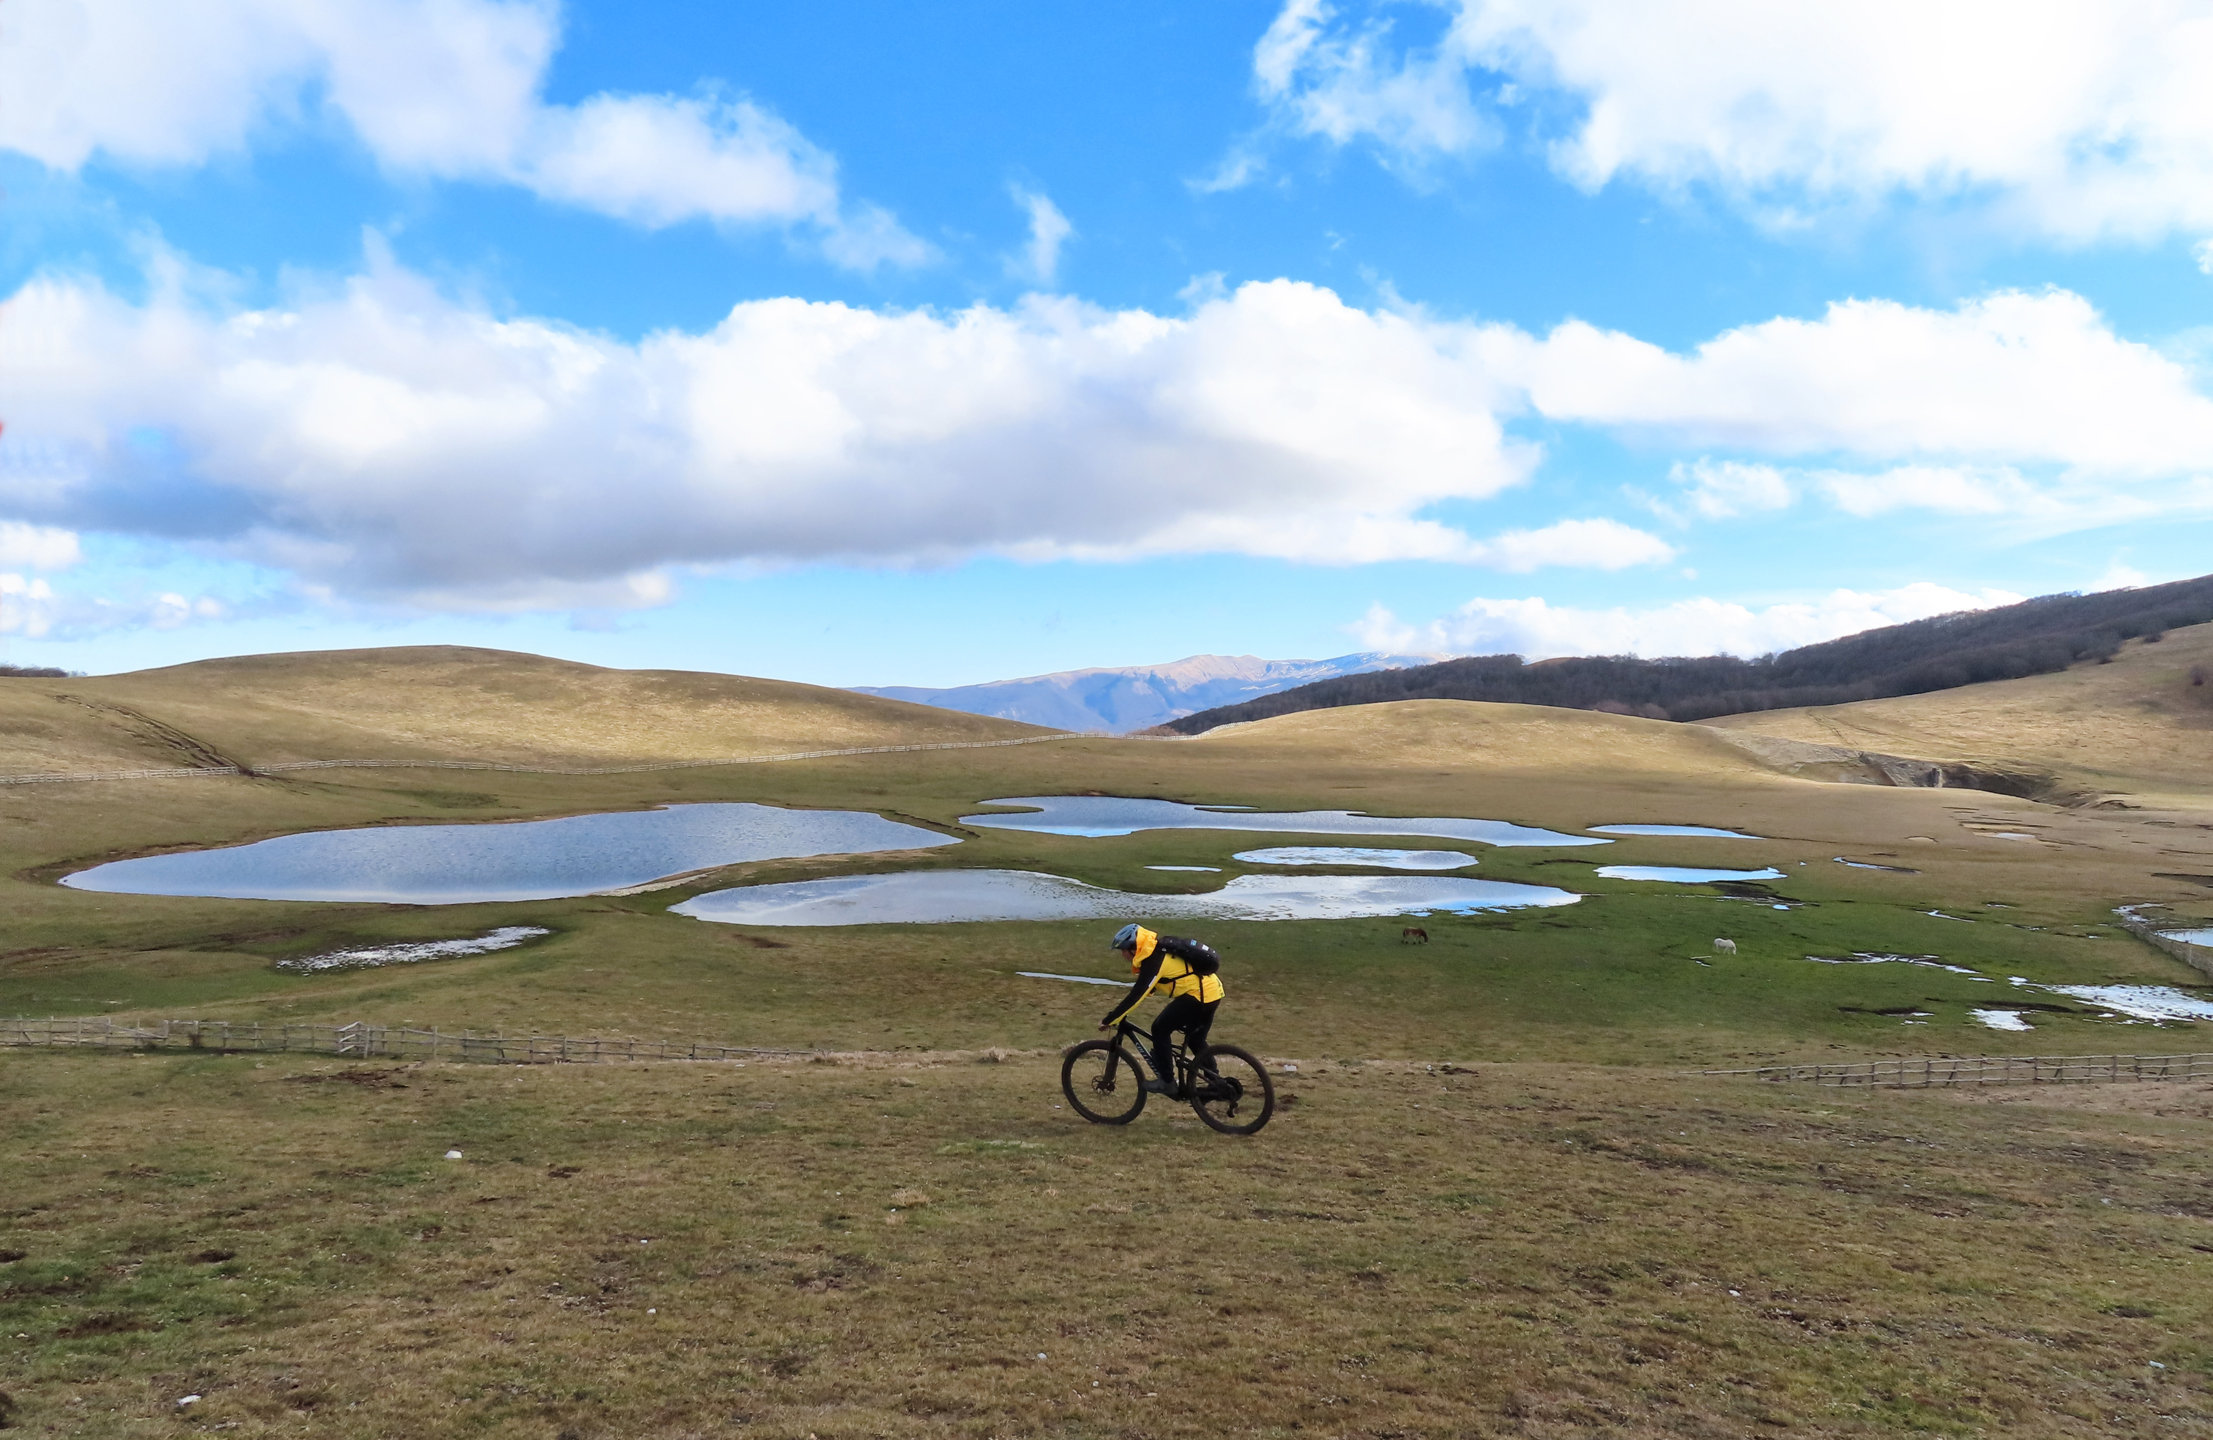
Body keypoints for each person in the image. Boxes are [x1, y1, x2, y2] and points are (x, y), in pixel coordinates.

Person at [1099, 922, 1224, 1096]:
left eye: (1123, 950)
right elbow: (1168, 977)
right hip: (1213, 993)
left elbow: (1137, 995)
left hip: (1198, 996)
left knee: (1159, 1028)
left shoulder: (1154, 959)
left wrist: (1111, 1019)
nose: (1123, 955)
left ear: (1134, 948)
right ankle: (1217, 1083)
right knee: (1196, 1040)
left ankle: (1167, 1082)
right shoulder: (1157, 950)